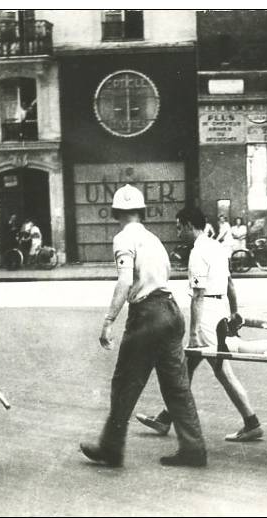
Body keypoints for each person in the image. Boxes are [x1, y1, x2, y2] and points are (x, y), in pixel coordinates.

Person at [80, 186, 207, 468]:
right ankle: (194, 447)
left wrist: (109, 320)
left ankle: (111, 448)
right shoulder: (154, 240)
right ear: (142, 211)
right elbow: (167, 274)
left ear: (116, 213)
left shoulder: (123, 238)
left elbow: (125, 281)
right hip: (171, 311)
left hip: (147, 315)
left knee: (125, 382)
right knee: (177, 386)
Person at [136, 207, 263, 442]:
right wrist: (234, 312)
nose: (177, 232)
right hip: (220, 310)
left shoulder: (197, 253)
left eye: (178, 227)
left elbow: (198, 296)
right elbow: (230, 284)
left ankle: (252, 422)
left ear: (187, 225)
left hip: (206, 318)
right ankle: (165, 418)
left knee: (222, 371)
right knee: (186, 368)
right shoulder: (217, 247)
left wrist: (193, 333)